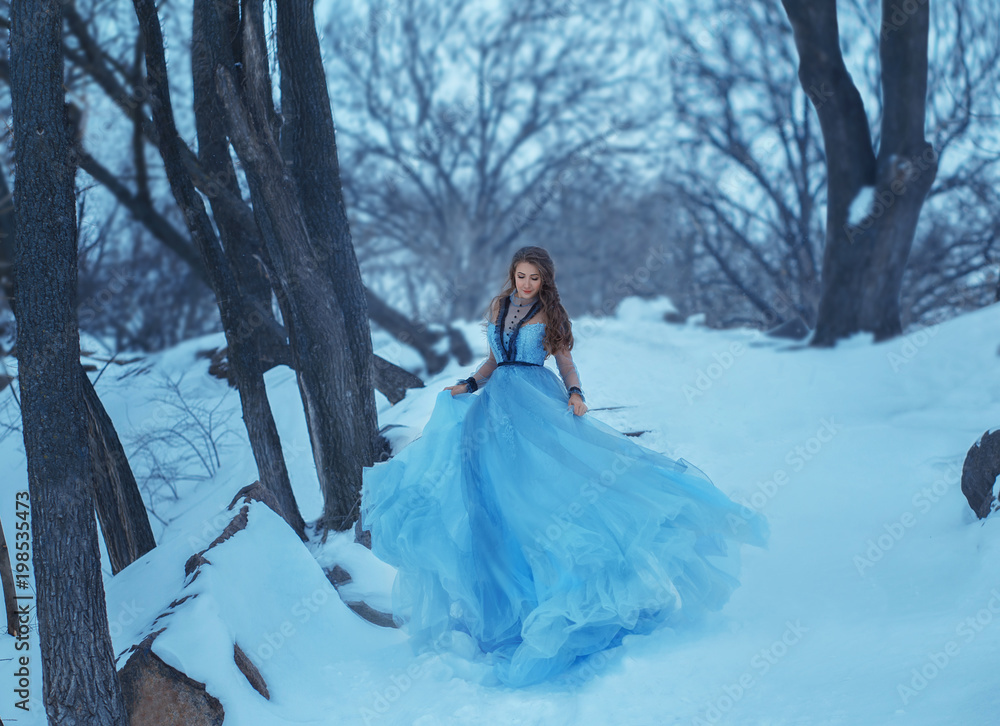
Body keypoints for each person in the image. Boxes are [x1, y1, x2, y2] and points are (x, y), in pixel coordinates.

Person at [360, 246, 768, 688]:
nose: (526, 284)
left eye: (535, 278)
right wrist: (471, 384)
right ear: (512, 276)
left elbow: (566, 362)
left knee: (540, 500)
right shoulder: (499, 307)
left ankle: (557, 602)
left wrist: (575, 393)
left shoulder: (551, 313)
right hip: (492, 415)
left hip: (536, 406)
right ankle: (501, 613)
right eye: (521, 276)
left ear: (545, 280)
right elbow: (496, 360)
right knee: (489, 507)